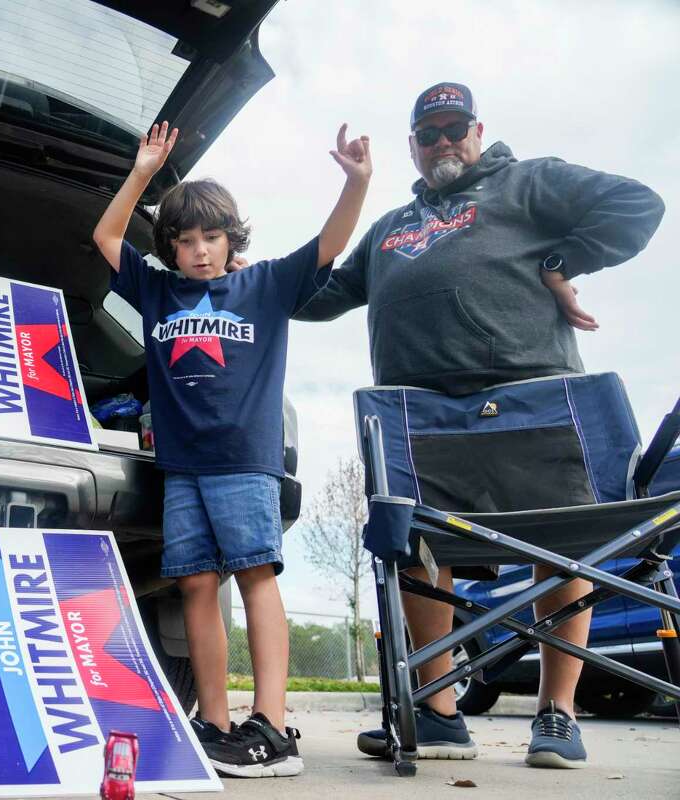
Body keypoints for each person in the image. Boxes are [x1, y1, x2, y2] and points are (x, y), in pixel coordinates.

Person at [293, 81, 666, 769]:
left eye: (454, 127)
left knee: (557, 544)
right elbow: (318, 295)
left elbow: (637, 204)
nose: (442, 142)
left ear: (477, 129)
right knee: (416, 545)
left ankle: (558, 712)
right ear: (412, 144)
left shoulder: (529, 183)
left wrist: (560, 262)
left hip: (532, 399)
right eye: (428, 132)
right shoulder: (388, 229)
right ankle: (438, 712)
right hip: (420, 417)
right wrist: (247, 283)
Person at [91, 121, 373, 777]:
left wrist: (357, 183)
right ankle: (214, 723)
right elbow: (106, 238)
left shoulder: (265, 283)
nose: (199, 250)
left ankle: (272, 726)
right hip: (182, 465)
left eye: (211, 237)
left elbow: (329, 244)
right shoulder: (157, 289)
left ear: (231, 239)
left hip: (245, 459)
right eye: (185, 240)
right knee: (194, 583)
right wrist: (142, 173)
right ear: (168, 247)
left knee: (255, 575)